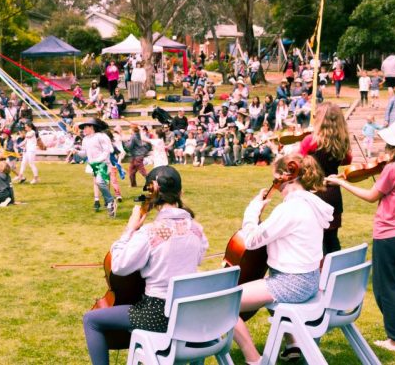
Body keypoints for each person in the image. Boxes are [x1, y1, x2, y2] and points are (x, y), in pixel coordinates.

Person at [325, 116, 395, 353]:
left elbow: (371, 196)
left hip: (389, 234)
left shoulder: (394, 168)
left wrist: (342, 183)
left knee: (387, 288)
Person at [82, 166, 208, 365]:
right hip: (189, 313)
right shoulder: (197, 229)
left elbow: (119, 266)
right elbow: (198, 259)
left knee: (91, 320)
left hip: (158, 314)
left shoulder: (150, 232)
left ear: (153, 192)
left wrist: (129, 229)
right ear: (180, 192)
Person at [232, 153, 334, 364]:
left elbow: (250, 240)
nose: (275, 185)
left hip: (292, 285)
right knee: (268, 282)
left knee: (224, 303)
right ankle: (293, 344)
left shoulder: (290, 209)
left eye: (275, 179)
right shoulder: (311, 203)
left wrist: (252, 211)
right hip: (310, 281)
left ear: (284, 176)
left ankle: (254, 359)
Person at [299, 103, 352, 254]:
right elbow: (347, 160)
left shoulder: (310, 141)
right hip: (333, 192)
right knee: (332, 240)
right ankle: (336, 267)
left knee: (314, 243)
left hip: (314, 192)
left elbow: (298, 163)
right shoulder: (342, 142)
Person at [78, 118, 117, 216]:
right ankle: (110, 202)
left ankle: (110, 201)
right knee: (99, 183)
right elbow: (84, 154)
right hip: (94, 165)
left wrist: (98, 160)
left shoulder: (101, 136)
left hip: (103, 164)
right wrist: (76, 151)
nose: (84, 130)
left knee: (99, 182)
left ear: (92, 127)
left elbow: (107, 151)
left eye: (85, 127)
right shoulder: (85, 139)